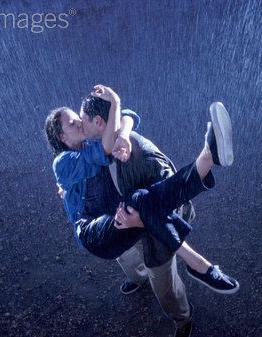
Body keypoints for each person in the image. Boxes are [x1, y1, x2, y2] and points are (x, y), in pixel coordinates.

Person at [45, 85, 237, 337]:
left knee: (143, 215)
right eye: (73, 123)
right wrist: (114, 99)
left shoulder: (110, 144)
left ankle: (183, 319)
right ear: (61, 137)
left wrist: (122, 130)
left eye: (80, 119)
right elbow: (103, 148)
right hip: (95, 232)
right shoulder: (66, 161)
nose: (80, 122)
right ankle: (206, 162)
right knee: (136, 220)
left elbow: (130, 116)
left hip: (128, 219)